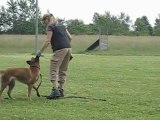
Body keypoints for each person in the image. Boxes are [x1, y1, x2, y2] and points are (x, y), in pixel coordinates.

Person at [36, 13, 72, 99]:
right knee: (63, 69)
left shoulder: (50, 27)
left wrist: (40, 52)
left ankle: (55, 90)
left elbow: (48, 41)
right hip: (68, 48)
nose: (45, 25)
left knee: (53, 69)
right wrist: (66, 46)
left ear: (47, 20)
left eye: (44, 22)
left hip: (59, 49)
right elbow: (70, 38)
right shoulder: (62, 26)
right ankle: (61, 90)